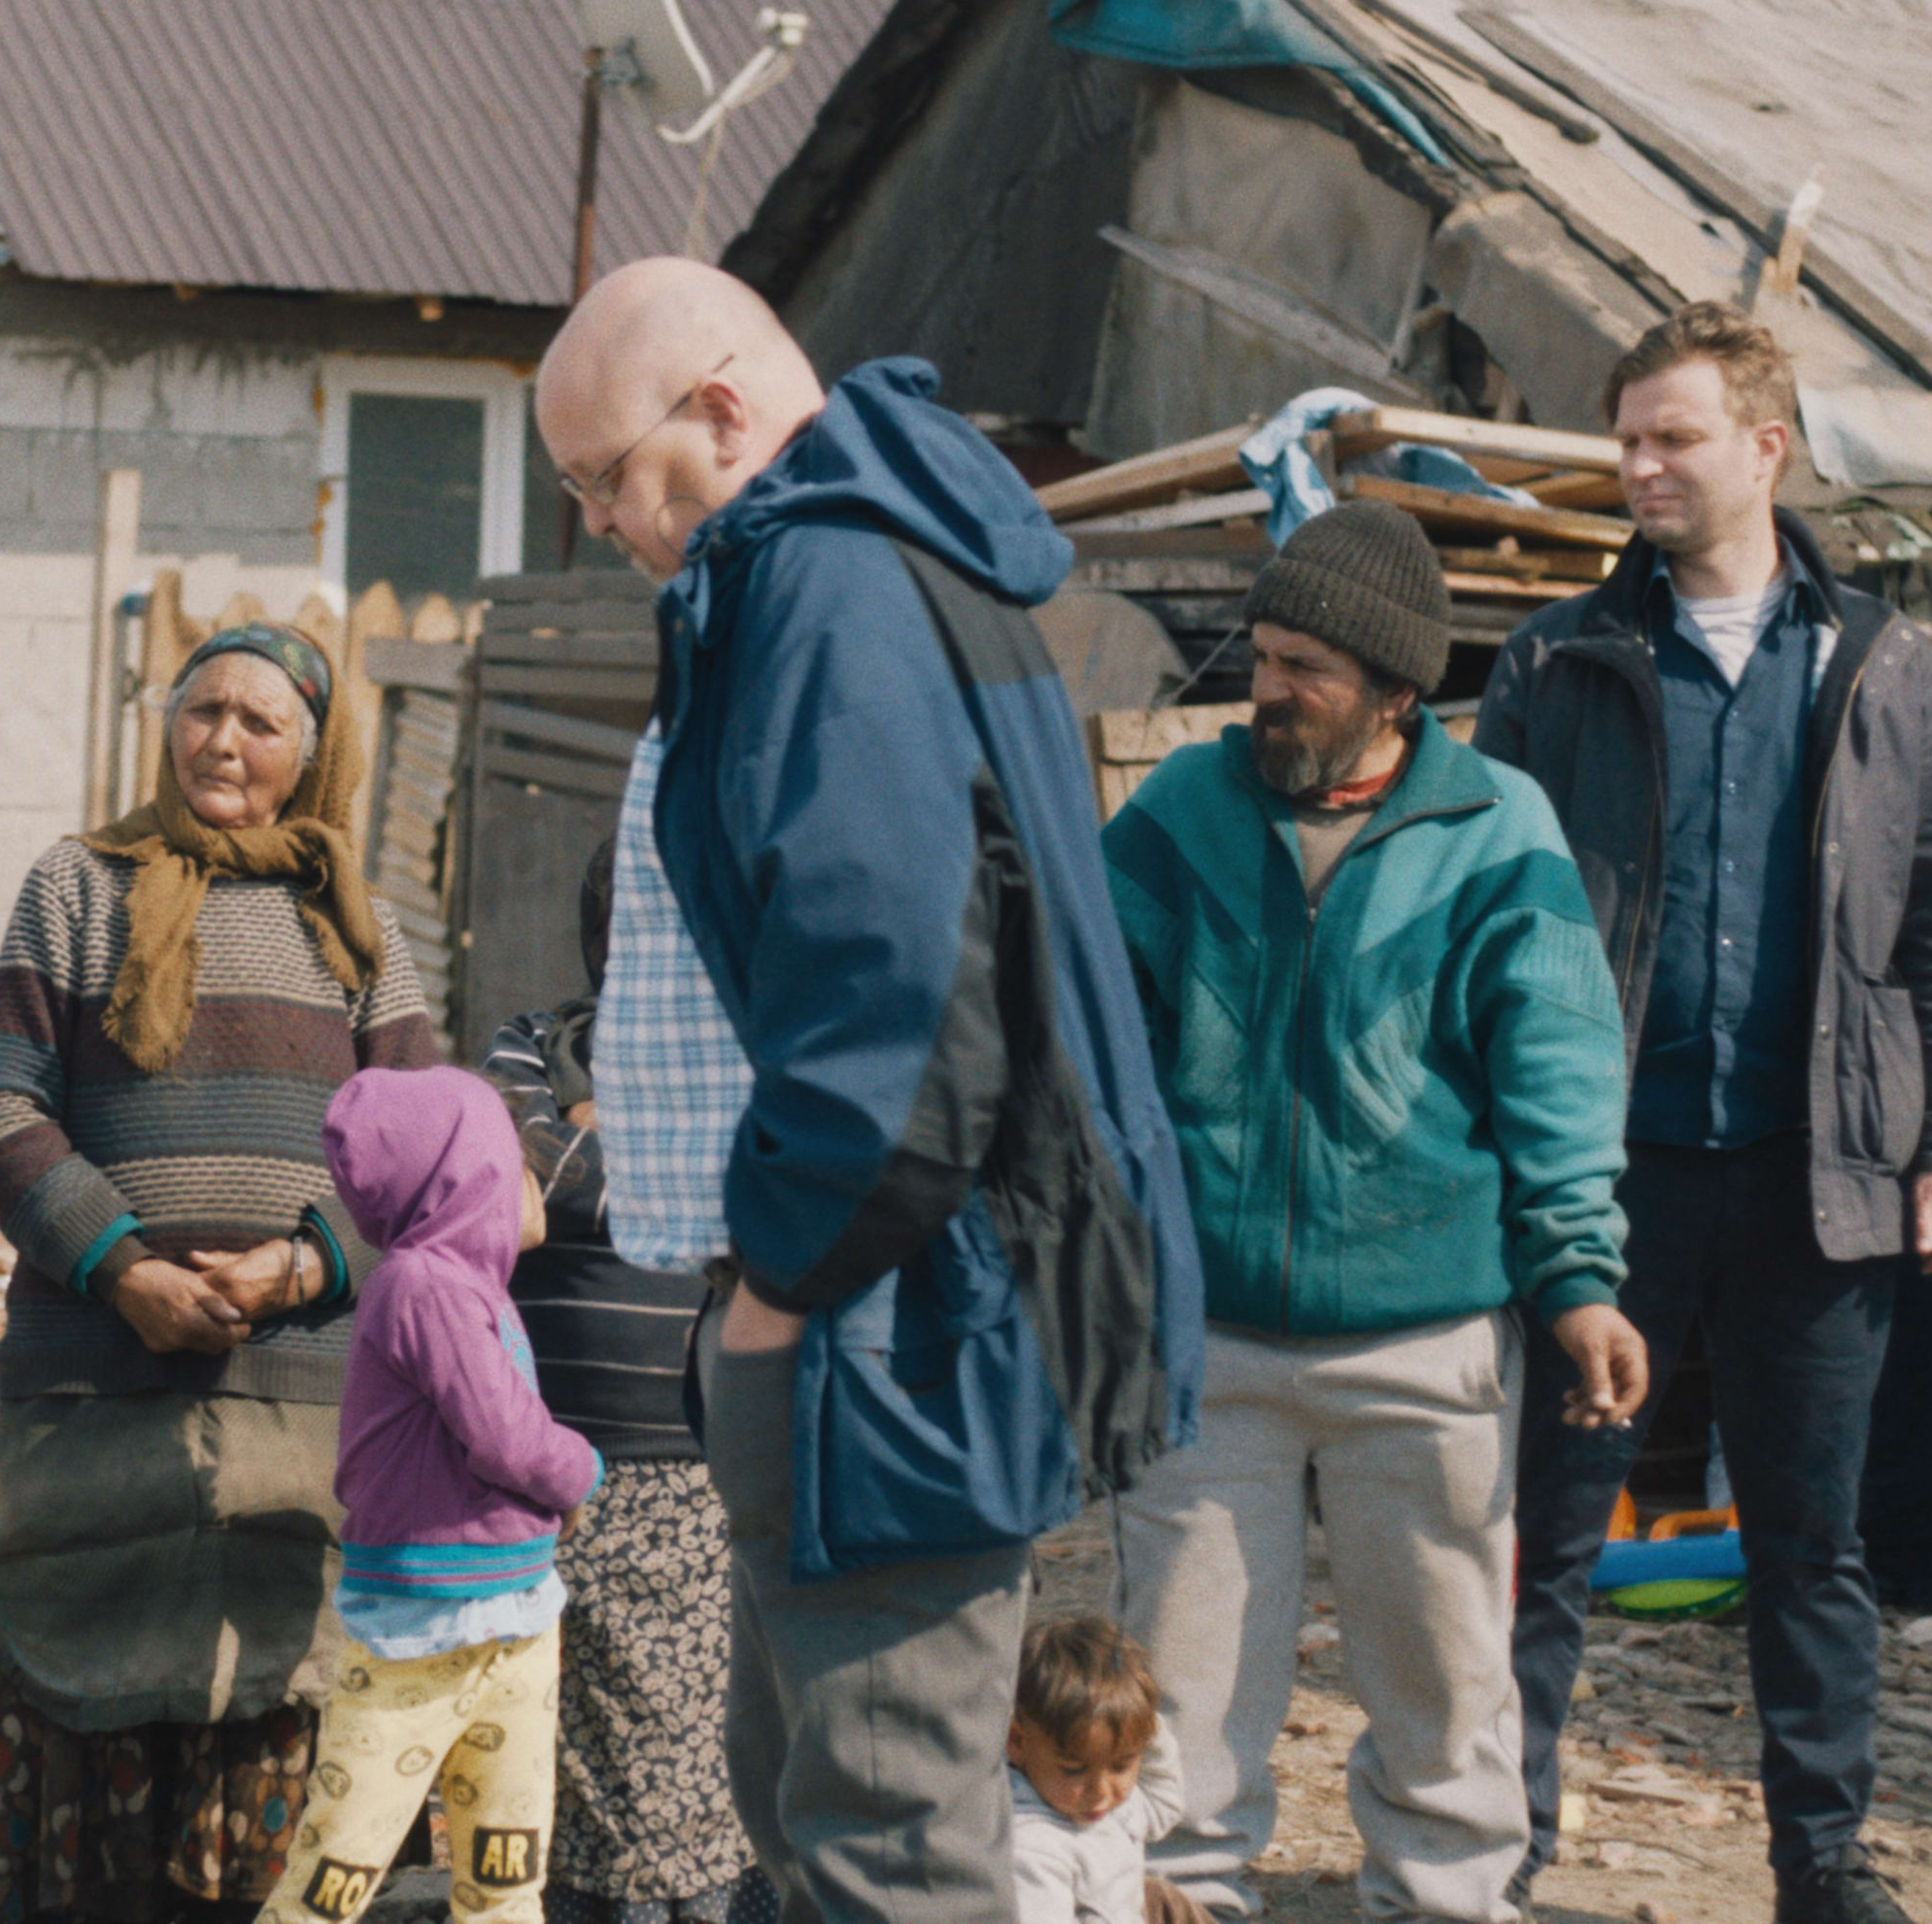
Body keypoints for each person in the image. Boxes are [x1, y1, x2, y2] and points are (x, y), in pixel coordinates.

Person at [533, 256, 1204, 1924]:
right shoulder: (857, 564)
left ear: (722, 410)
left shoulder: (827, 591)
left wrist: (775, 1284)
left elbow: (897, 1014)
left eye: (608, 477)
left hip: (886, 1322)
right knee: (811, 1802)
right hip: (890, 1306)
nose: (601, 524)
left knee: (883, 1846)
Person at [1475, 302, 1932, 1924]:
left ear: (1765, 449)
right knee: (1546, 1535)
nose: (1640, 466)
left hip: (1816, 1179)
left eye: (1673, 438)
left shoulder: (1879, 662)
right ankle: (1499, 1854)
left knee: (1810, 1545)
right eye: (1627, 439)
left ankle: (1822, 1863)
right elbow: (1480, 914)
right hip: (1601, 1180)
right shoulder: (1557, 662)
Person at [1099, 499, 1644, 1924]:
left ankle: (1445, 1902)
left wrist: (1579, 1281)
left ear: (1397, 692)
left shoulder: (1497, 831)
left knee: (1446, 1684)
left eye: (1307, 669)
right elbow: (1093, 1047)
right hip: (1208, 1343)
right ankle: (1180, 1898)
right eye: (1263, 655)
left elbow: (1561, 1074)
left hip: (1427, 1343)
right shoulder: (1178, 813)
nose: (1267, 688)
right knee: (1181, 1687)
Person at [0, 622, 440, 1923]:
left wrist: (304, 1265)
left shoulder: (359, 925)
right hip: (95, 1383)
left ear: (310, 752)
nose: (224, 741)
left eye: (260, 722)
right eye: (202, 710)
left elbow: (419, 1161)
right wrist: (122, 1270)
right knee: (80, 1660)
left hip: (300, 1397)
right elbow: (2, 1118)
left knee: (275, 1681)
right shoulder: (77, 888)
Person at [479, 859, 761, 1924]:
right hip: (548, 1470)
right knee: (573, 1756)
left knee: (692, 1754)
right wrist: (668, 1163)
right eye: (621, 921)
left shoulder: (748, 1051)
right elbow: (508, 1169)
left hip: (697, 1473)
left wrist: (600, 1142)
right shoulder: (532, 1041)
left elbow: (749, 1188)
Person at [254, 1064, 604, 1924]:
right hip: (422, 1633)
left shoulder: (473, 1288)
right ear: (466, 1180)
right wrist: (581, 1472)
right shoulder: (426, 1285)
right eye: (510, 1159)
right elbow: (504, 1436)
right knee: (339, 1868)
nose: (529, 1177)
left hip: (515, 1618)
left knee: (506, 1869)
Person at [1005, 1617, 1203, 1924]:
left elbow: (1164, 1805)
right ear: (1017, 1742)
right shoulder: (1033, 1847)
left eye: (1121, 1766)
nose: (1101, 1791)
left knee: (1165, 1900)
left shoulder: (1104, 1804)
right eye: (1073, 1770)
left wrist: (1145, 1726)